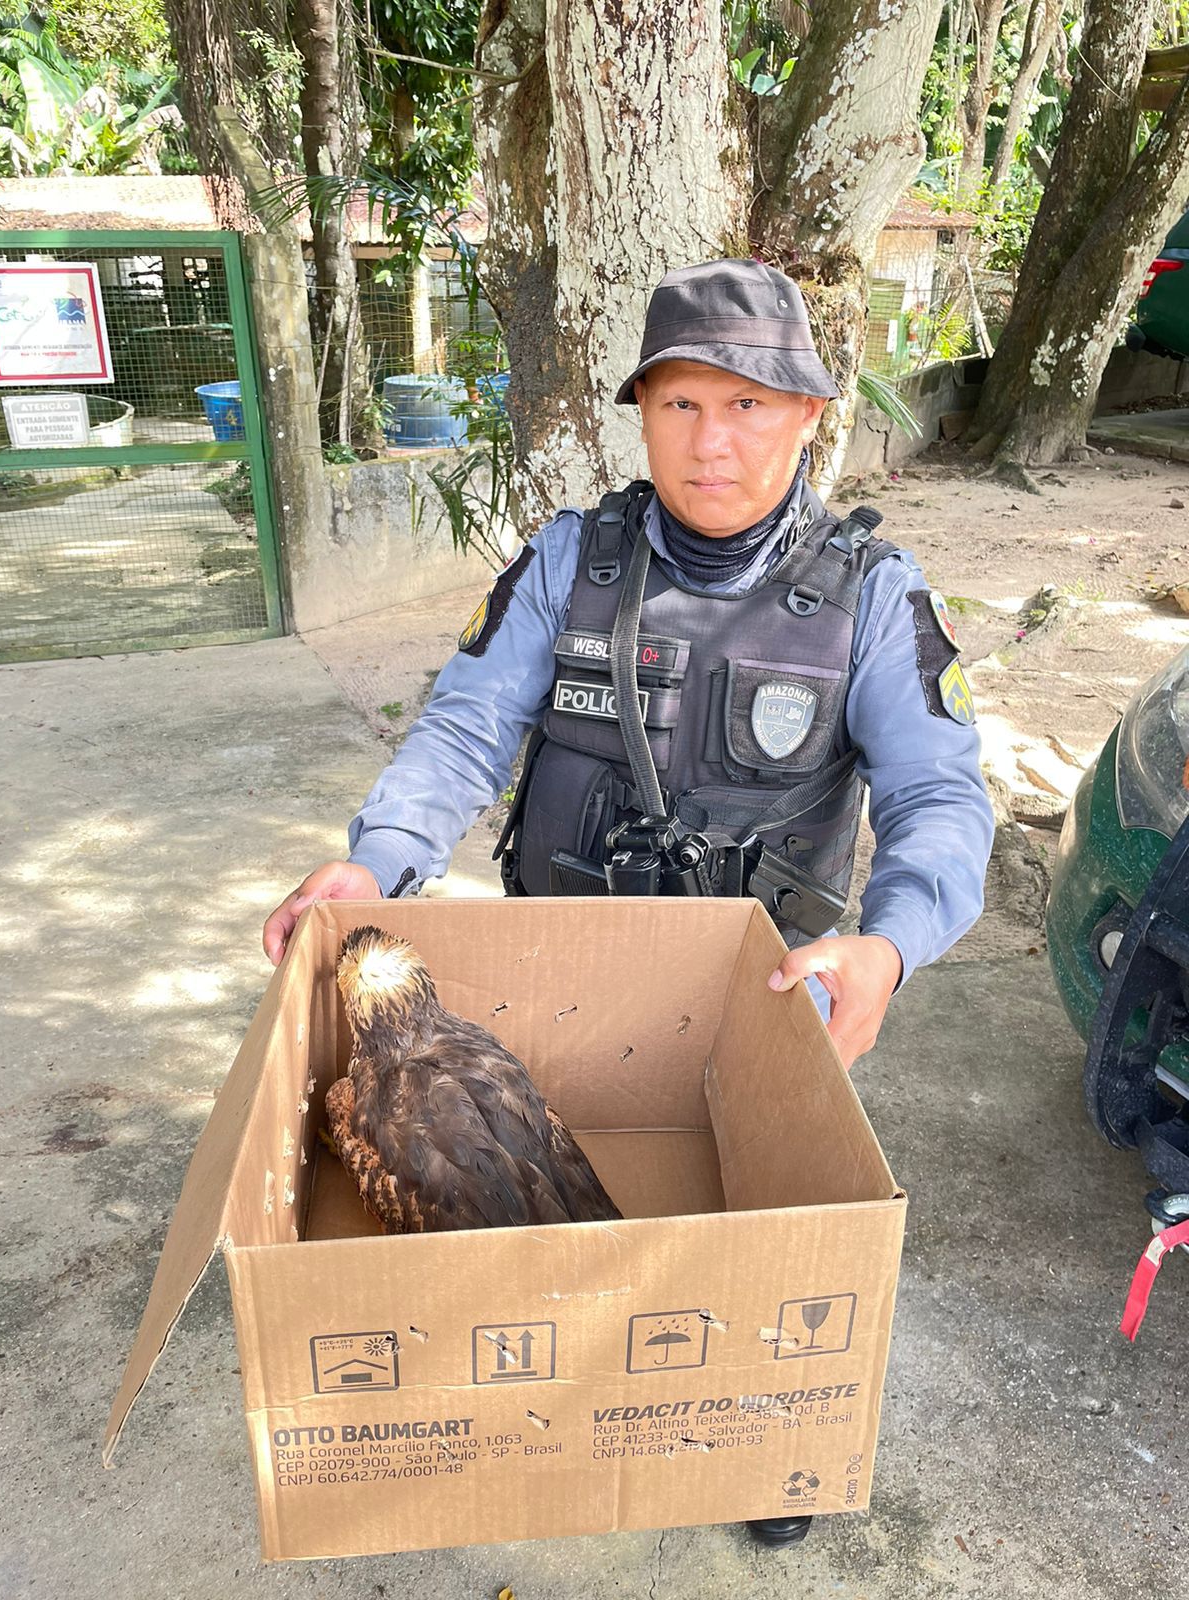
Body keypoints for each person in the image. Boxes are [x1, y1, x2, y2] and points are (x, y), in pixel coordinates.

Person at [263, 258, 994, 1549]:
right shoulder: (569, 560)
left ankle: (776, 1442)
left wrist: (887, 947)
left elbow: (941, 797)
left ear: (810, 413)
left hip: (770, 996)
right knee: (516, 1188)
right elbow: (465, 728)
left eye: (751, 406)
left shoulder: (872, 596)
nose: (714, 443)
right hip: (571, 976)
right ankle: (532, 1415)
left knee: (779, 1239)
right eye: (681, 407)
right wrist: (375, 863)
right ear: (641, 412)